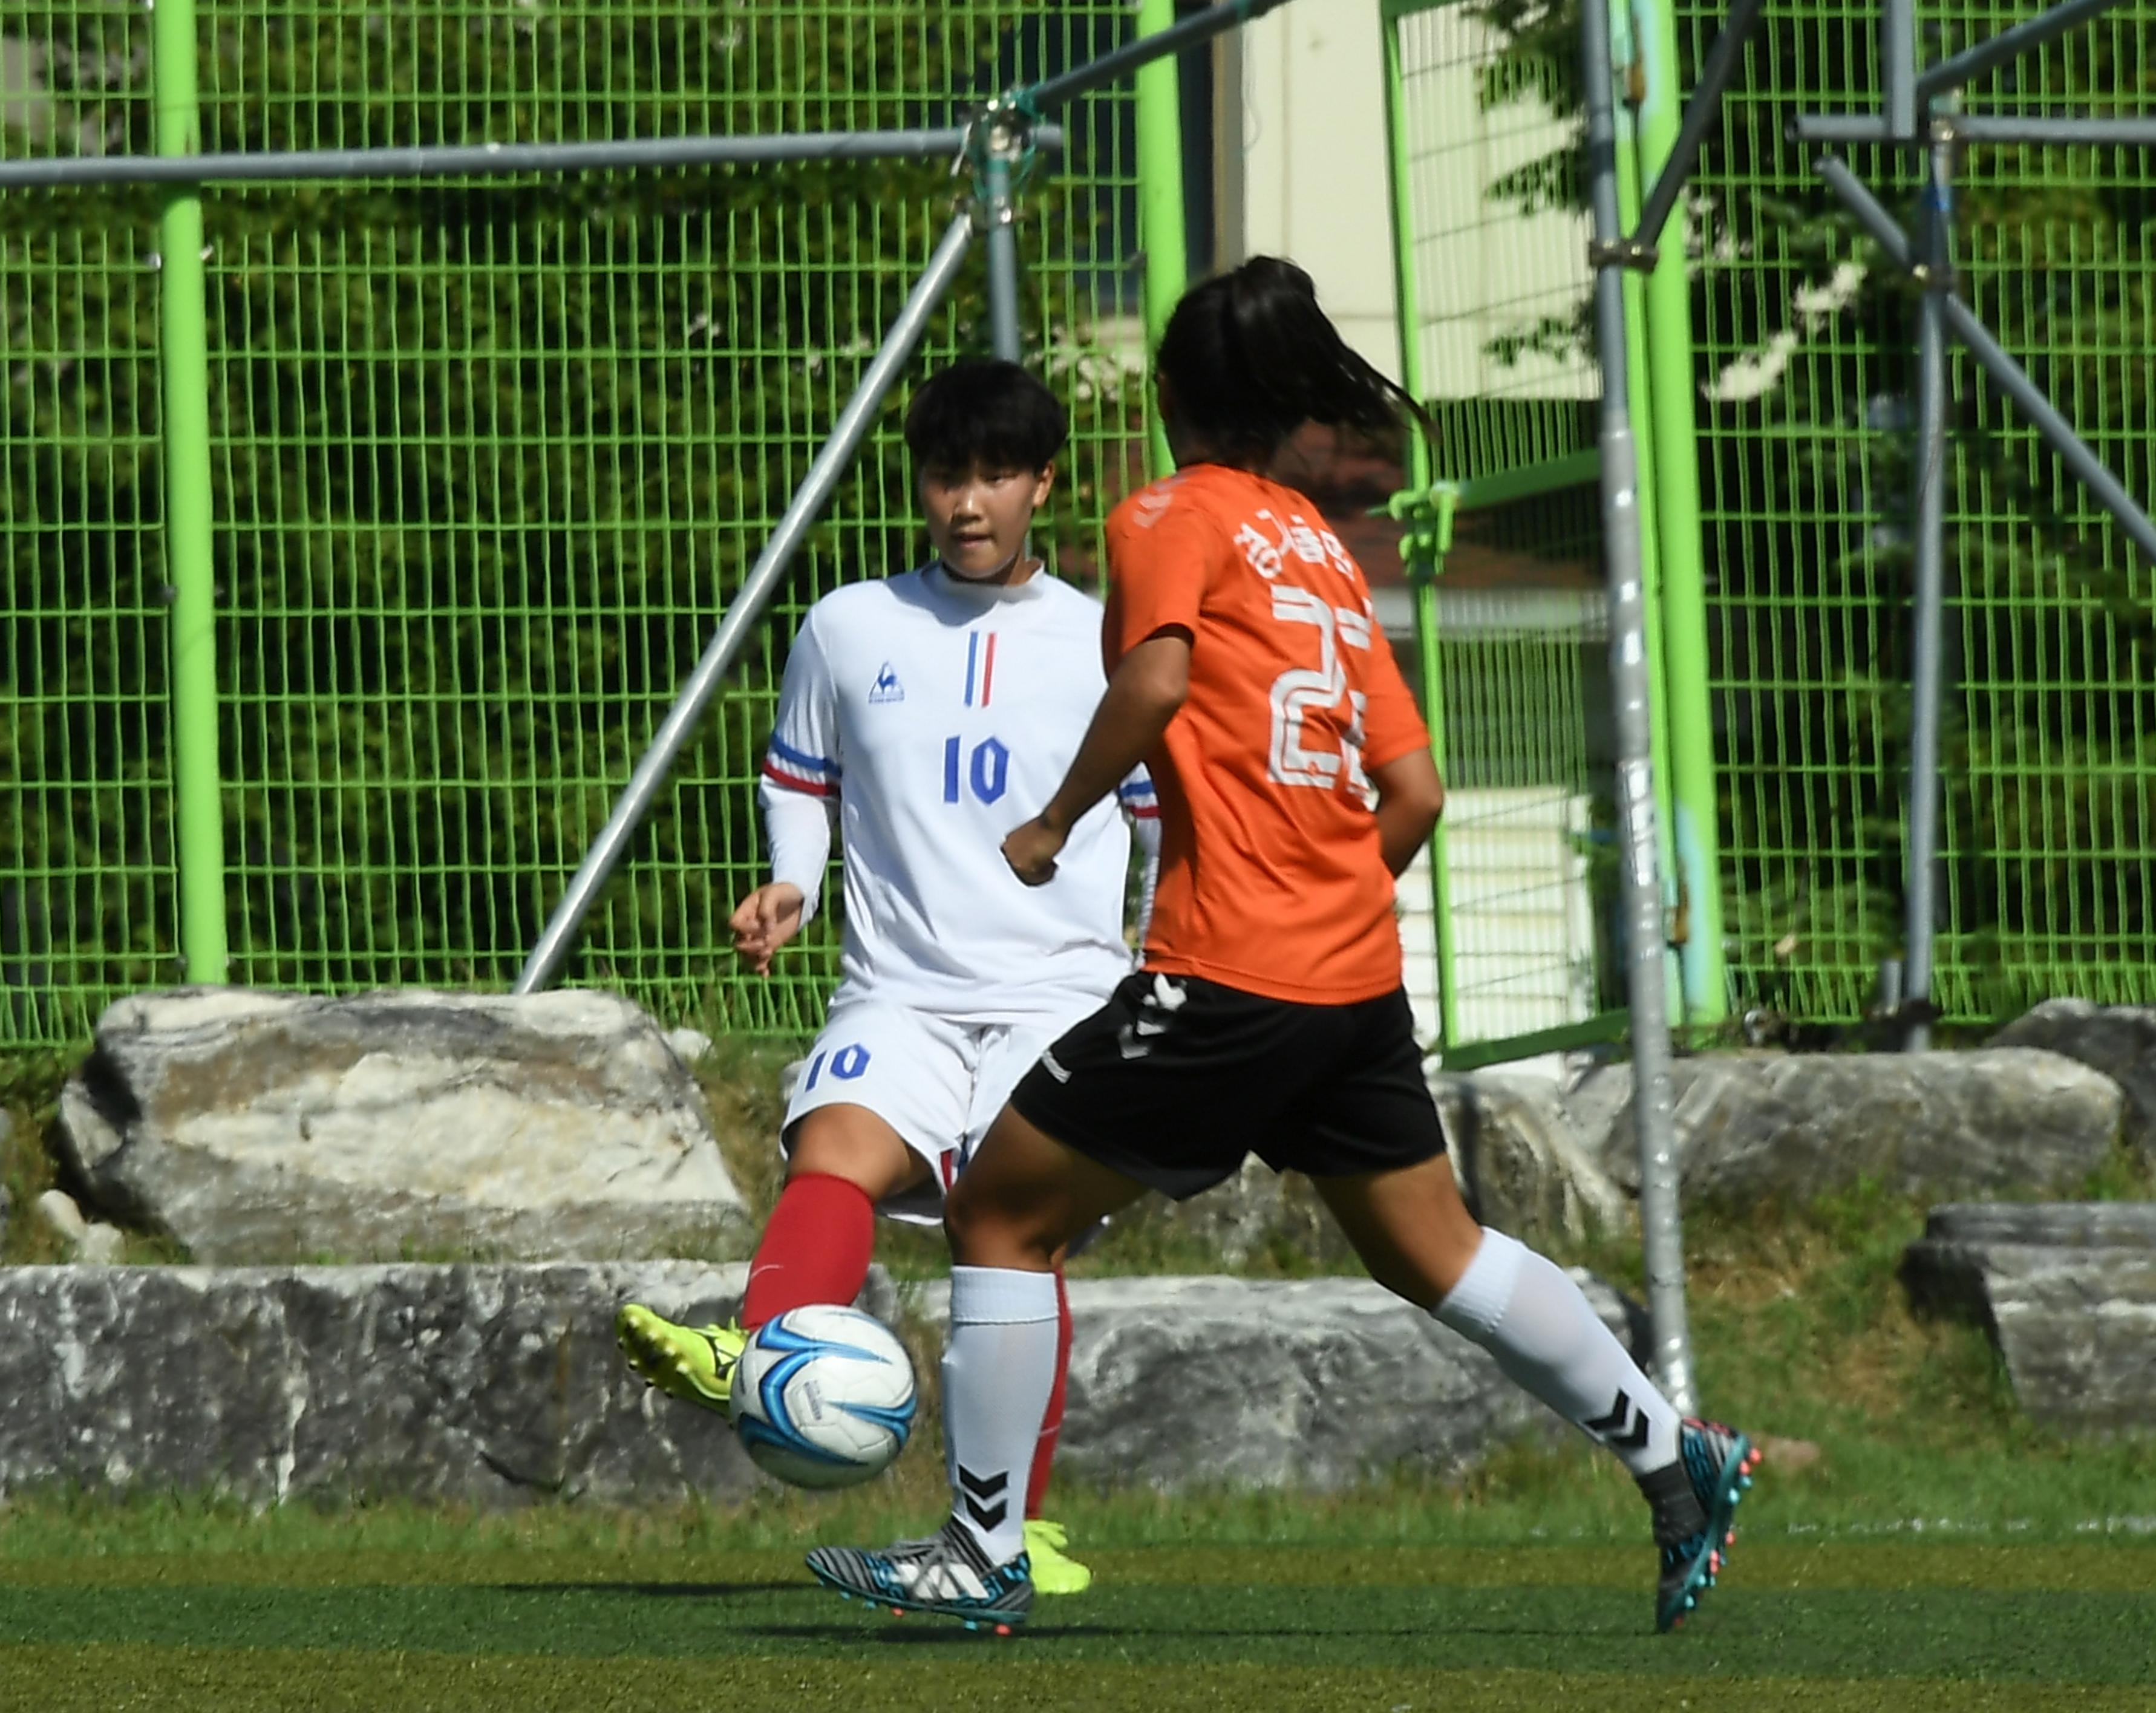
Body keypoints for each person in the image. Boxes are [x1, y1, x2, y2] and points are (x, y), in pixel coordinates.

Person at [807, 258, 1756, 1636]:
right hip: (1352, 980)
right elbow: (1414, 792)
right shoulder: (1316, 551)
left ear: (1175, 398)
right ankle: (1675, 1459)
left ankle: (981, 1552)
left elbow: (1157, 676)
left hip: (1228, 972)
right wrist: (1323, 920)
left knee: (1000, 1215)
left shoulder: (1163, 516)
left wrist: (1053, 821)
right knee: (1436, 1253)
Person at [616, 358, 1156, 1599]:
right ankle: (758, 1353)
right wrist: (790, 884)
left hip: (1059, 994)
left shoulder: (1104, 642)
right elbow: (802, 777)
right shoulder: (850, 624)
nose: (968, 501)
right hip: (898, 989)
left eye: (996, 476)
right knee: (834, 1156)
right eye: (946, 475)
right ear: (920, 485)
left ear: (1042, 485)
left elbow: (1158, 818)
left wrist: (1161, 959)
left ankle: (1020, 1523)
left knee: (1010, 1243)